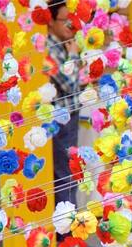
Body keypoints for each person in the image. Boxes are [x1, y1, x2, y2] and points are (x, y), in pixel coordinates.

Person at [46, 2, 81, 224]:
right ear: (50, 21)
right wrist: (74, 55)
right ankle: (68, 230)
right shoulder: (52, 48)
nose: (70, 24)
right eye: (64, 20)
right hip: (62, 121)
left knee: (70, 171)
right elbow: (70, 83)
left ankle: (68, 226)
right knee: (66, 174)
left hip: (70, 116)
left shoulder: (62, 44)